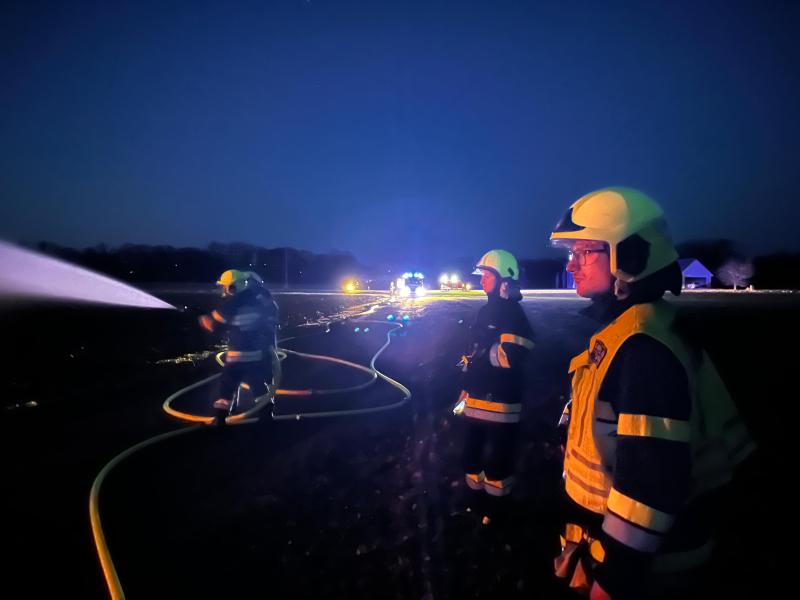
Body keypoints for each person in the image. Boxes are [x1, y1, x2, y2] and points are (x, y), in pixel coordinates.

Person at [549, 187, 756, 598]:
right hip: (627, 557)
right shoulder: (638, 331)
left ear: (630, 256)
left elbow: (649, 490)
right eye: (572, 253)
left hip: (646, 573)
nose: (572, 264)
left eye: (585, 251)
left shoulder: (644, 350)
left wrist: (611, 582)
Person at [457, 249, 535, 524]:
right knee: (471, 456)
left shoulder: (513, 313)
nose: (481, 281)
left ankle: (498, 513)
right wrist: (465, 382)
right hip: (475, 401)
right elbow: (472, 351)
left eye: (487, 276)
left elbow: (514, 354)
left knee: (497, 462)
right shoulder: (484, 311)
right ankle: (475, 504)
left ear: (504, 280)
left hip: (500, 404)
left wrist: (480, 358)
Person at [198, 269, 279, 424]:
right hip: (256, 355)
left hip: (236, 357)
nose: (223, 290)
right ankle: (266, 418)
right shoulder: (255, 302)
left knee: (227, 387)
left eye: (225, 287)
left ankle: (220, 419)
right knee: (259, 386)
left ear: (232, 287)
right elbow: (268, 318)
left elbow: (215, 324)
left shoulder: (231, 304)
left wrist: (204, 321)